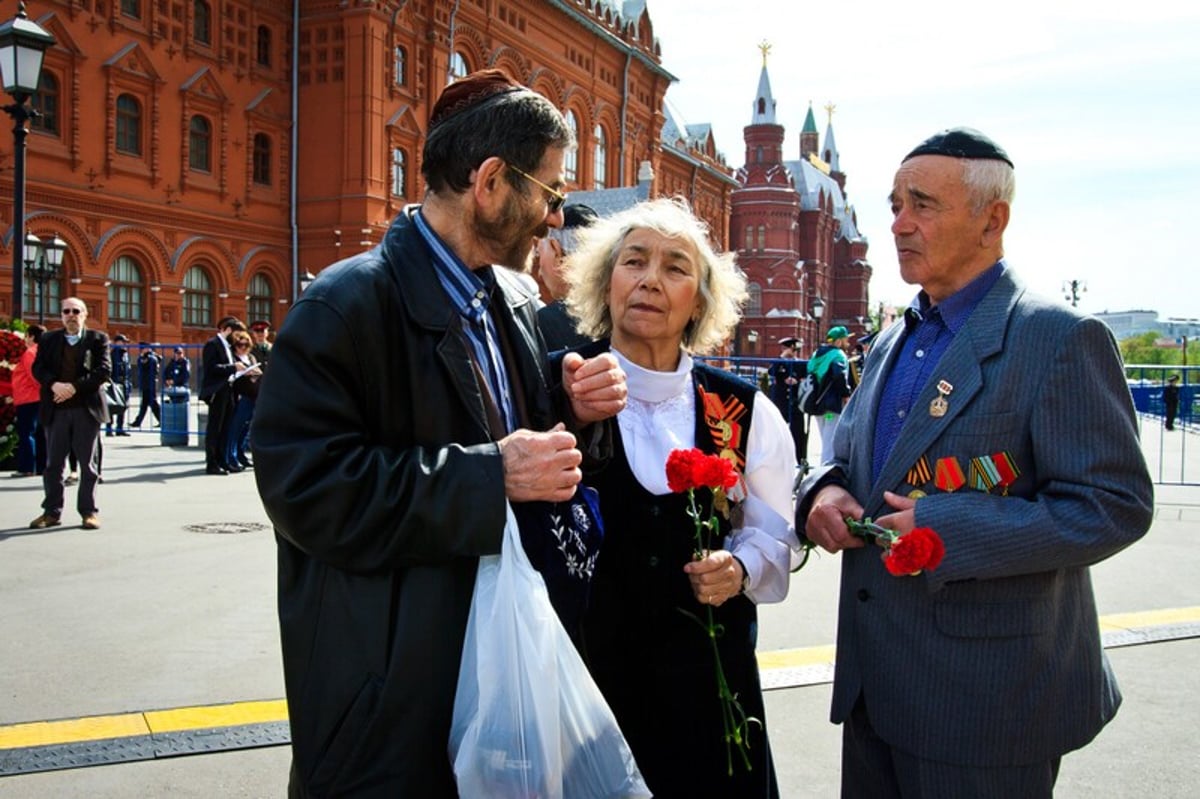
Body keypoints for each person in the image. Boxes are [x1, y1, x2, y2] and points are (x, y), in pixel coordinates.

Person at [251, 69, 627, 798]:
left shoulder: (509, 302)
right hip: (389, 701)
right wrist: (491, 475)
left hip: (496, 676)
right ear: (489, 181)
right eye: (549, 193)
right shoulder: (343, 307)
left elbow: (501, 430)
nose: (555, 218)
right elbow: (306, 491)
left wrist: (569, 405)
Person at [795, 127, 1154, 798]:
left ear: (994, 220)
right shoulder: (893, 338)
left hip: (985, 705)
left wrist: (946, 529)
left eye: (922, 204)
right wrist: (823, 490)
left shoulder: (1058, 337)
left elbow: (1115, 504)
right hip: (876, 687)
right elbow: (842, 455)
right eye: (894, 203)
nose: (898, 224)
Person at [563, 197, 798, 797]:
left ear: (699, 299)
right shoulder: (560, 388)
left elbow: (776, 532)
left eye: (675, 267)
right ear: (605, 281)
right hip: (587, 688)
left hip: (709, 694)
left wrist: (740, 565)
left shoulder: (743, 410)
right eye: (633, 261)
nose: (649, 279)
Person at [29, 297, 111, 530]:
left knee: (88, 465)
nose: (71, 315)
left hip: (86, 410)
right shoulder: (48, 339)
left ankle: (89, 512)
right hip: (56, 410)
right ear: (62, 315)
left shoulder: (98, 339)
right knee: (53, 465)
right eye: (67, 311)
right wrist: (54, 385)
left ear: (84, 314)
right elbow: (38, 368)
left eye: (76, 311)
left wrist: (73, 387)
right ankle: (51, 512)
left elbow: (103, 371)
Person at [535, 202, 598, 350]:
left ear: (556, 251)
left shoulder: (540, 325)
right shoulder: (621, 315)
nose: (539, 272)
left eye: (539, 253)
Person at [200, 317, 247, 475]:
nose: (237, 338)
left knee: (226, 427)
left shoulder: (227, 346)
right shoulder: (212, 344)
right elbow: (211, 368)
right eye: (235, 334)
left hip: (228, 389)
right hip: (217, 391)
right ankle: (212, 464)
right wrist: (233, 367)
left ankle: (223, 461)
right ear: (227, 330)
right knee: (215, 427)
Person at [807, 325, 853, 465]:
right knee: (830, 443)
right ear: (838, 341)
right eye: (846, 339)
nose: (848, 343)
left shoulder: (816, 354)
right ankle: (826, 473)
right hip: (832, 405)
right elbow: (839, 375)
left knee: (824, 439)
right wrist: (846, 395)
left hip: (816, 404)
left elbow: (809, 370)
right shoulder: (839, 355)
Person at [10, 324, 46, 477]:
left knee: (27, 433)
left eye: (27, 336)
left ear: (31, 336)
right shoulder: (44, 351)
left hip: (29, 397)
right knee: (40, 433)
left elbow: (35, 375)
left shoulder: (31, 352)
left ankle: (27, 467)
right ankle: (42, 467)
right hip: (38, 398)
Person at [768, 335, 808, 467]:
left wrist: (796, 381)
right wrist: (782, 357)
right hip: (780, 401)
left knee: (798, 433)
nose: (788, 351)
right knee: (777, 431)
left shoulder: (800, 363)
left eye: (789, 348)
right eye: (785, 348)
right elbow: (772, 371)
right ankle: (775, 459)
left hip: (795, 401)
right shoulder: (779, 362)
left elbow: (805, 377)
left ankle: (799, 460)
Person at [224, 330, 260, 470]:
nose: (243, 347)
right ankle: (231, 458)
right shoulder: (233, 358)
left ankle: (241, 454)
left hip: (253, 395)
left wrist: (254, 373)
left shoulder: (250, 357)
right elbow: (231, 376)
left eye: (246, 344)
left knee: (245, 428)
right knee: (235, 428)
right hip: (240, 396)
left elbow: (255, 371)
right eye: (240, 344)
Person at [105, 333, 132, 436]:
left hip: (124, 383)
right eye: (123, 342)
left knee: (123, 406)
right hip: (114, 383)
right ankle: (109, 428)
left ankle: (119, 428)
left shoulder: (125, 354)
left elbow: (127, 370)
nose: (125, 344)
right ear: (117, 342)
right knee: (111, 405)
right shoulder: (112, 354)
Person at [131, 342, 162, 428]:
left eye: (142, 349)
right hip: (146, 384)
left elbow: (146, 364)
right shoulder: (145, 357)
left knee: (153, 403)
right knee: (145, 404)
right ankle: (138, 422)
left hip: (150, 384)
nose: (141, 351)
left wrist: (146, 356)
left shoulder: (152, 358)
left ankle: (162, 420)